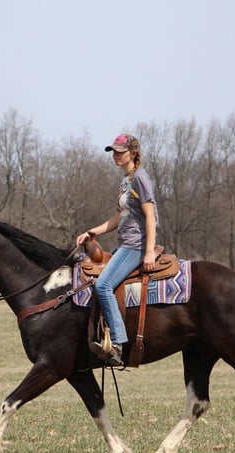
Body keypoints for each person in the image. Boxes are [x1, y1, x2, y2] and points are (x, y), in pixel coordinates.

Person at [75, 133, 159, 367]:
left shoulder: (141, 178)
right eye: (113, 151)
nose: (115, 155)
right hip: (124, 243)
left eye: (120, 151)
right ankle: (102, 335)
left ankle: (118, 343)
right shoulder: (126, 182)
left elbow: (150, 216)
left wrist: (149, 251)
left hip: (136, 245)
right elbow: (117, 218)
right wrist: (92, 232)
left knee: (103, 285)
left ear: (133, 153)